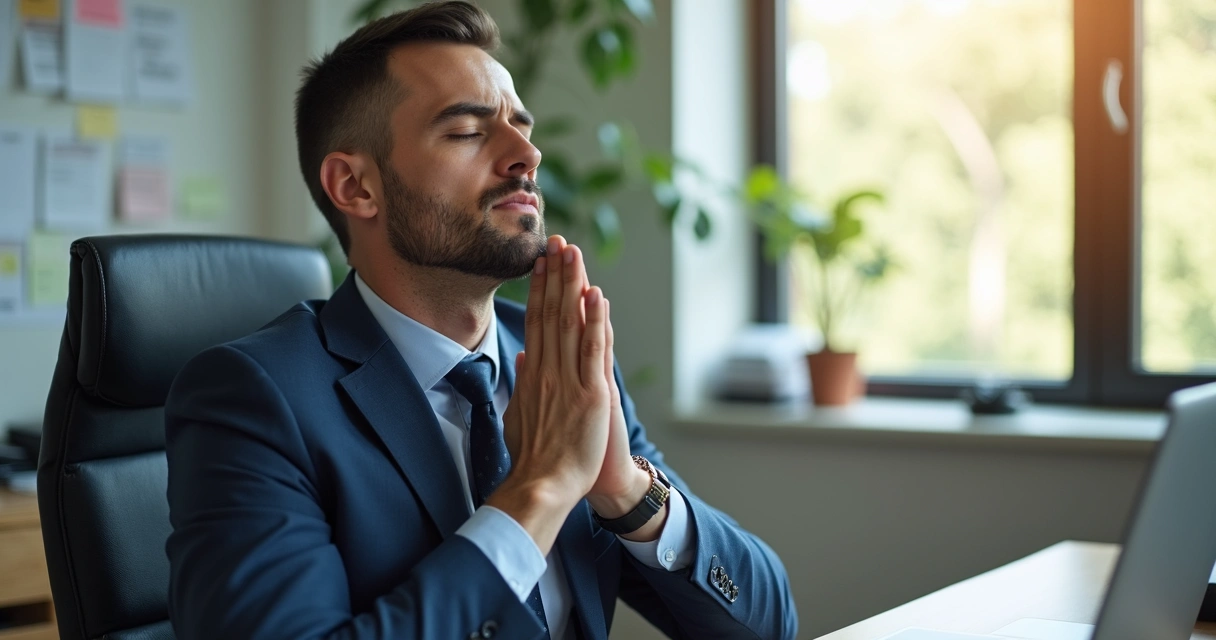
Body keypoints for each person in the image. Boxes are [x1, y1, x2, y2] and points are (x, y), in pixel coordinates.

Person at [163, 2, 797, 638]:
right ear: (356, 186)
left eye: (521, 125)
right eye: (467, 131)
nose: (527, 153)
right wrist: (538, 493)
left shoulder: (559, 363)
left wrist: (627, 492)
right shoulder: (252, 398)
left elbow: (771, 624)